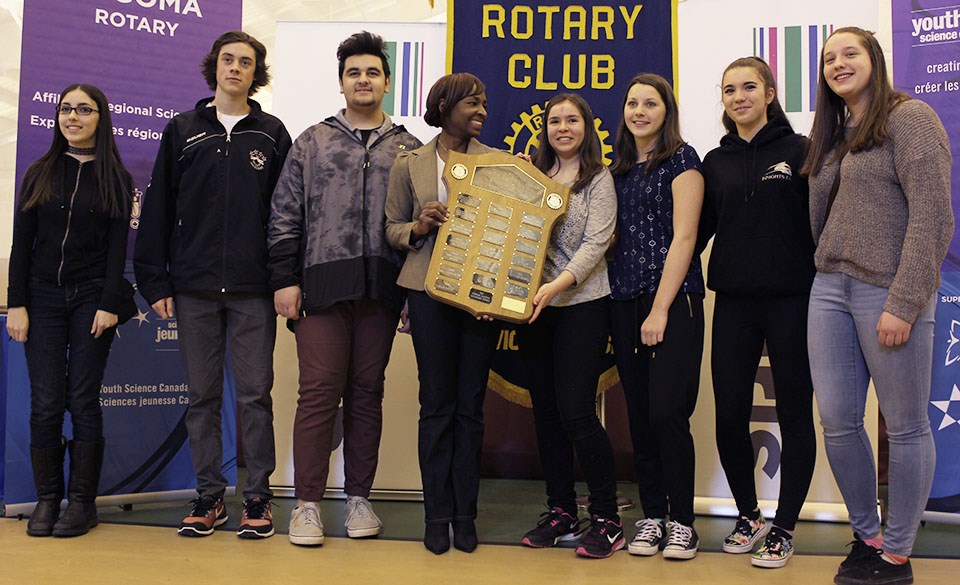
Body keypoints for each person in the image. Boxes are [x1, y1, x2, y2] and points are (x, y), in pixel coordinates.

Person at [803, 27, 952, 585]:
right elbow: (821, 213)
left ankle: (896, 552)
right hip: (830, 289)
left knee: (907, 426)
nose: (837, 64)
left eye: (849, 53)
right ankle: (867, 537)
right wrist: (825, 262)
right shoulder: (834, 130)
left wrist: (905, 300)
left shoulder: (909, 118)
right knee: (839, 422)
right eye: (828, 58)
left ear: (875, 60)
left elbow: (933, 215)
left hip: (889, 292)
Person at [134, 30, 292, 539]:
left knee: (255, 395)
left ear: (255, 74)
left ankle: (258, 499)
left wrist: (284, 278)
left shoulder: (271, 133)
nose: (236, 69)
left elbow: (287, 215)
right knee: (201, 397)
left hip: (253, 289)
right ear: (214, 67)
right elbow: (157, 212)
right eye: (228, 60)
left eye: (246, 62)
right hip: (193, 288)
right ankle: (208, 497)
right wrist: (154, 281)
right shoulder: (182, 129)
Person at [268, 31, 422, 547]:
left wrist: (412, 293)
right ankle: (307, 505)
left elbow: (422, 225)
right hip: (320, 288)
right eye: (354, 72)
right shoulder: (312, 141)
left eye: (372, 72)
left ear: (386, 82)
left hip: (383, 289)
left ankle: (359, 499)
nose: (363, 80)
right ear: (341, 83)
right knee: (317, 394)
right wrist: (285, 280)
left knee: (366, 394)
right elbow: (285, 215)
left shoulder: (409, 148)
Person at [699, 57, 816, 569]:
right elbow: (694, 233)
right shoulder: (713, 161)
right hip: (734, 304)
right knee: (728, 413)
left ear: (769, 92)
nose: (738, 96)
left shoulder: (802, 150)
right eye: (729, 90)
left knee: (794, 414)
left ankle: (784, 526)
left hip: (793, 301)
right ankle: (748, 515)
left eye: (749, 87)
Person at [7, 83, 133, 537]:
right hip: (40, 298)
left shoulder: (116, 178)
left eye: (84, 109)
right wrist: (16, 302)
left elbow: (119, 251)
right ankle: (47, 500)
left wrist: (107, 304)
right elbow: (23, 245)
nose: (73, 117)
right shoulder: (38, 172)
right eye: (65, 109)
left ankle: (81, 503)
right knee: (44, 404)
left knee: (82, 399)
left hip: (90, 298)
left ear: (101, 118)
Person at [385, 73, 498, 555]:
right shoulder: (408, 162)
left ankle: (465, 515)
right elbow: (390, 228)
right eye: (473, 103)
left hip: (477, 298)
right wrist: (418, 225)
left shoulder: (497, 164)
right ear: (444, 104)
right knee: (436, 407)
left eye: (484, 103)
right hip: (427, 295)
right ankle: (436, 516)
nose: (482, 111)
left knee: (470, 409)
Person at [514, 94, 620, 558]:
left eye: (571, 120)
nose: (562, 127)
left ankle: (606, 517)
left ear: (586, 127)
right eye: (554, 120)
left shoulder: (599, 179)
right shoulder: (532, 175)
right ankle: (560, 511)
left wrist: (556, 285)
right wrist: (515, 181)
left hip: (582, 304)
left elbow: (597, 242)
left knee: (577, 412)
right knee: (546, 414)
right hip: (534, 309)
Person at [607, 73, 705, 560]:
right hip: (623, 302)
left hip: (673, 301)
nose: (639, 111)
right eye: (632, 103)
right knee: (641, 417)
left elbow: (685, 238)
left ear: (667, 111)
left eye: (650, 103)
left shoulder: (683, 160)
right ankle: (651, 516)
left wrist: (661, 308)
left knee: (668, 413)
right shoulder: (617, 169)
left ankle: (683, 521)